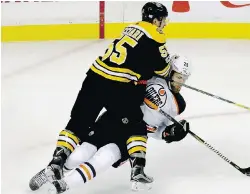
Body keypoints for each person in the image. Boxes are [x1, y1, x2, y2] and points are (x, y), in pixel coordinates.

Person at [29, 1, 171, 191]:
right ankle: (137, 170)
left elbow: (134, 56)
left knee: (78, 122)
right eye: (162, 20)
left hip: (95, 77)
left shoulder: (130, 28)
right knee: (136, 124)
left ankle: (56, 162)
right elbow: (163, 69)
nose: (163, 23)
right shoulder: (156, 35)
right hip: (118, 86)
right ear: (156, 20)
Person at [48, 55, 192, 193]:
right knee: (80, 155)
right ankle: (51, 172)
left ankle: (64, 186)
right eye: (179, 77)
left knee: (104, 159)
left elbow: (155, 130)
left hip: (133, 136)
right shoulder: (151, 74)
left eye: (184, 79)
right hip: (114, 119)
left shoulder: (178, 104)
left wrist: (170, 133)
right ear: (169, 72)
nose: (181, 83)